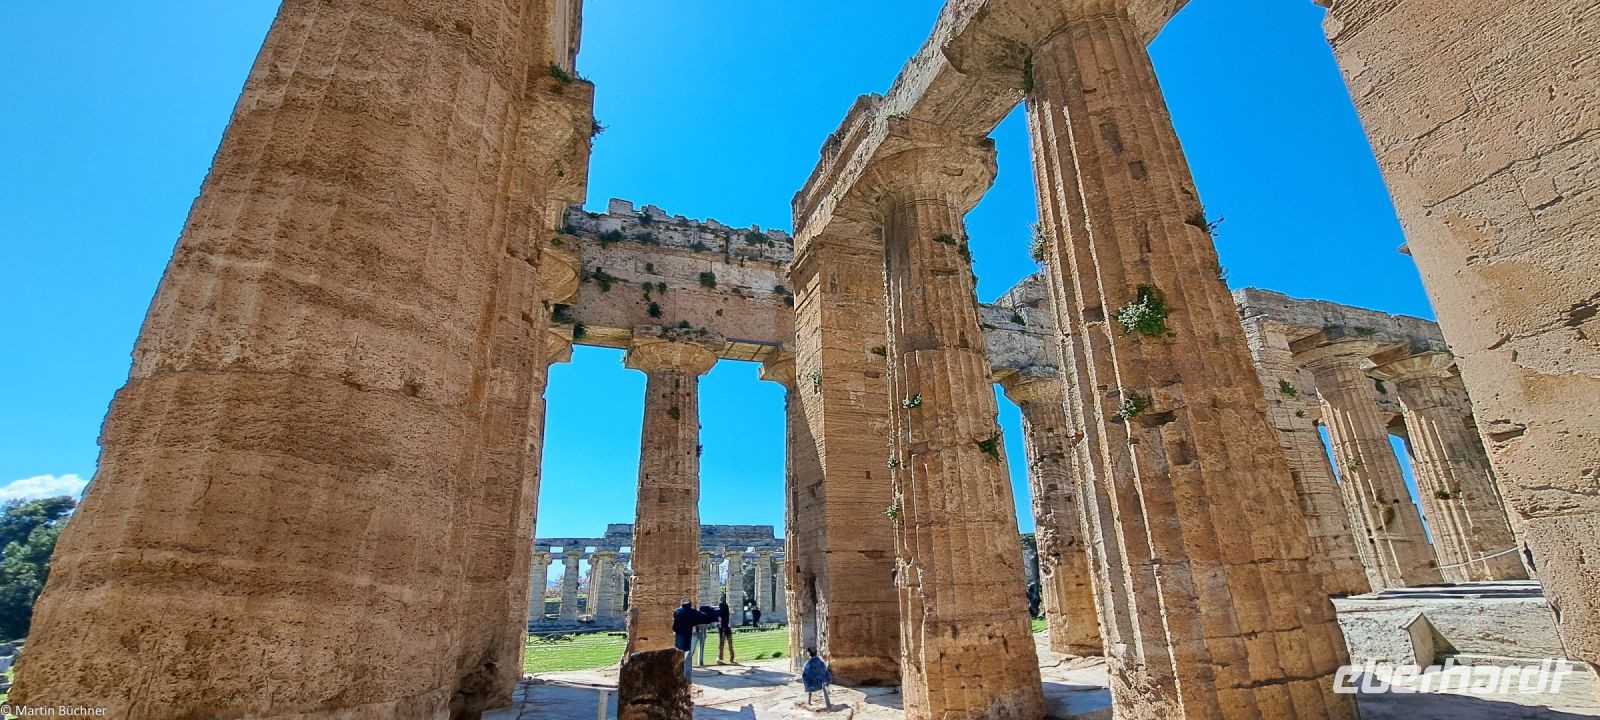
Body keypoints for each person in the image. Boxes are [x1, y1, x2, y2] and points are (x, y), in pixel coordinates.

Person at [672, 600, 701, 679]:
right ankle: (687, 674)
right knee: (688, 654)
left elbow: (674, 624)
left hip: (679, 634)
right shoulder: (692, 612)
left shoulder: (677, 611)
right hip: (688, 634)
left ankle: (678, 672)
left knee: (679, 653)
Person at [717, 599, 737, 664]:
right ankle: (732, 658)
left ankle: (720, 659)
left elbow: (719, 620)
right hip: (727, 628)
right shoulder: (727, 612)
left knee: (721, 645)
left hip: (722, 628)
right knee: (730, 644)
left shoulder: (720, 613)